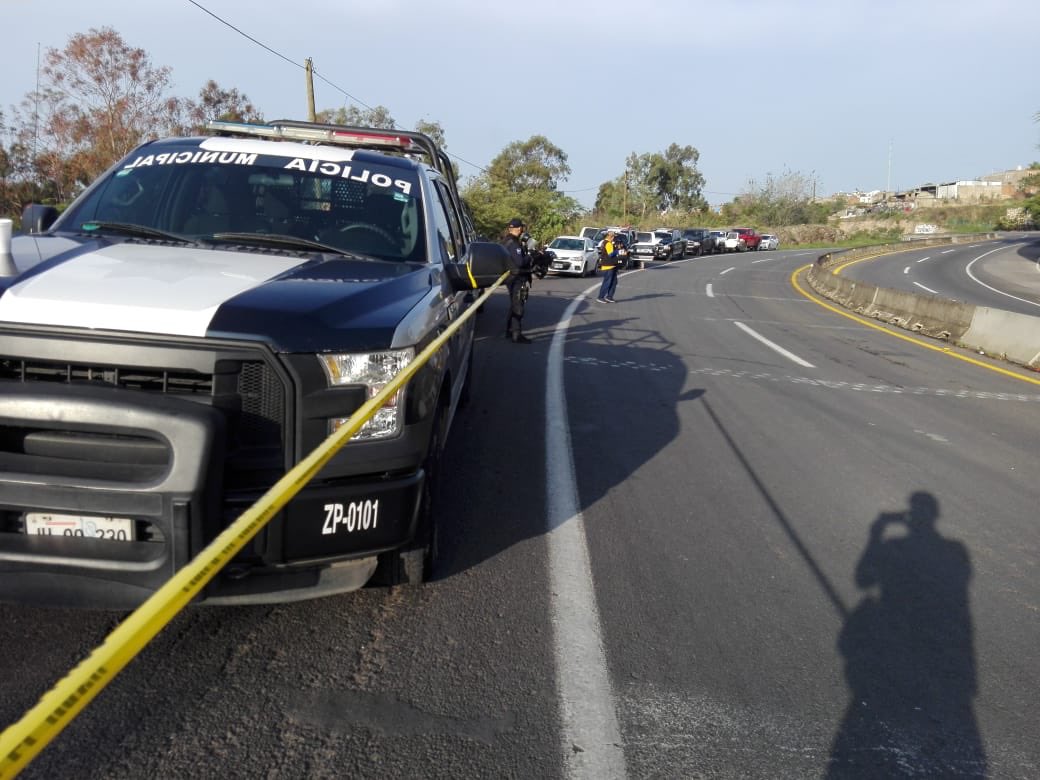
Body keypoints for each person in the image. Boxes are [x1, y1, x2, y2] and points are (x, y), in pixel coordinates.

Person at [501, 217, 533, 343]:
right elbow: (519, 262)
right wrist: (529, 256)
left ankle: (509, 331)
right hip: (516, 278)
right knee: (518, 305)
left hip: (510, 277)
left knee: (514, 304)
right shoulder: (514, 243)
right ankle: (516, 334)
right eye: (521, 228)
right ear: (519, 229)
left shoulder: (506, 241)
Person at [596, 229, 622, 302]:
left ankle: (609, 297)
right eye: (613, 237)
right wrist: (617, 250)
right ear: (611, 237)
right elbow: (610, 254)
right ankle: (600, 297)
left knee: (614, 282)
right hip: (608, 265)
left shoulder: (605, 242)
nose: (614, 238)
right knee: (607, 282)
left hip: (611, 265)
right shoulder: (608, 243)